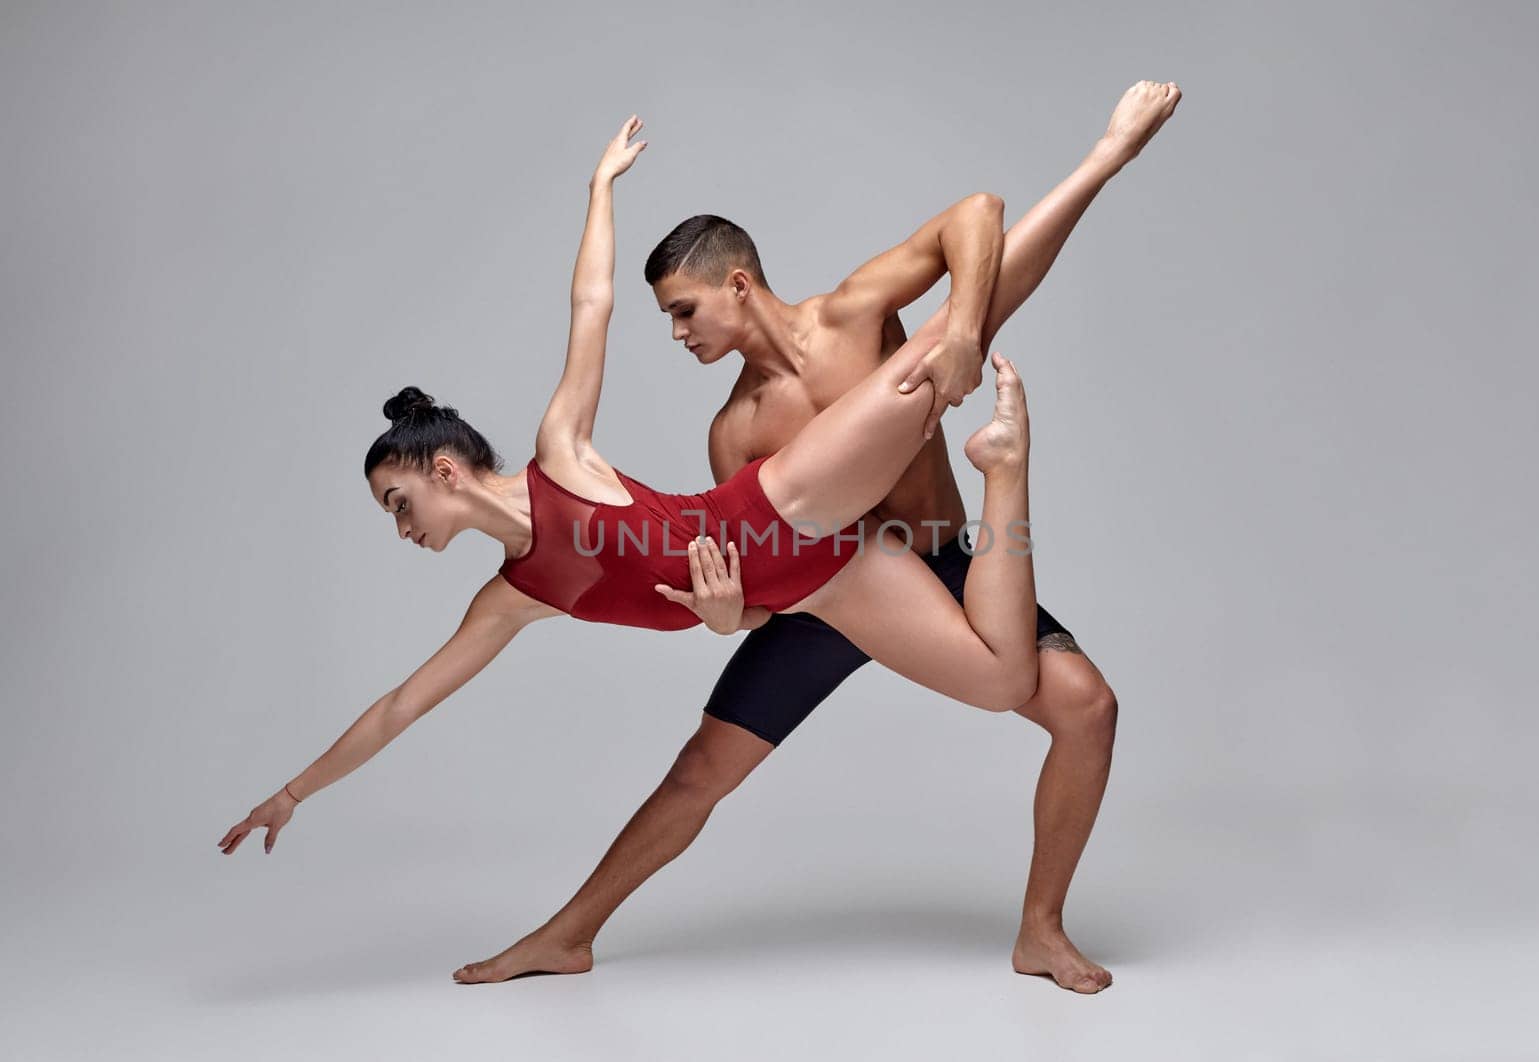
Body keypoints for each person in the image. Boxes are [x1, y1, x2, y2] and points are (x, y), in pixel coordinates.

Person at [218, 114, 1047, 947]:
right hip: (793, 581)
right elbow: (401, 706)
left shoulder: (561, 456)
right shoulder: (509, 598)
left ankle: (1099, 162)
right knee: (1001, 679)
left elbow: (592, 302)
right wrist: (296, 790)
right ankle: (1006, 459)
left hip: (774, 507)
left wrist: (599, 190)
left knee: (940, 343)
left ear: (444, 473)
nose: (401, 528)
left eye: (399, 502)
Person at [448, 81, 1181, 994]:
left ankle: (1040, 929)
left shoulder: (853, 317)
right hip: (827, 600)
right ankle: (564, 933)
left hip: (942, 565)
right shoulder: (736, 431)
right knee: (698, 775)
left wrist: (970, 319)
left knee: (1087, 709)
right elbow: (751, 580)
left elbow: (982, 239)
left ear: (739, 285)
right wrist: (729, 615)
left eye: (685, 310)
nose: (676, 334)